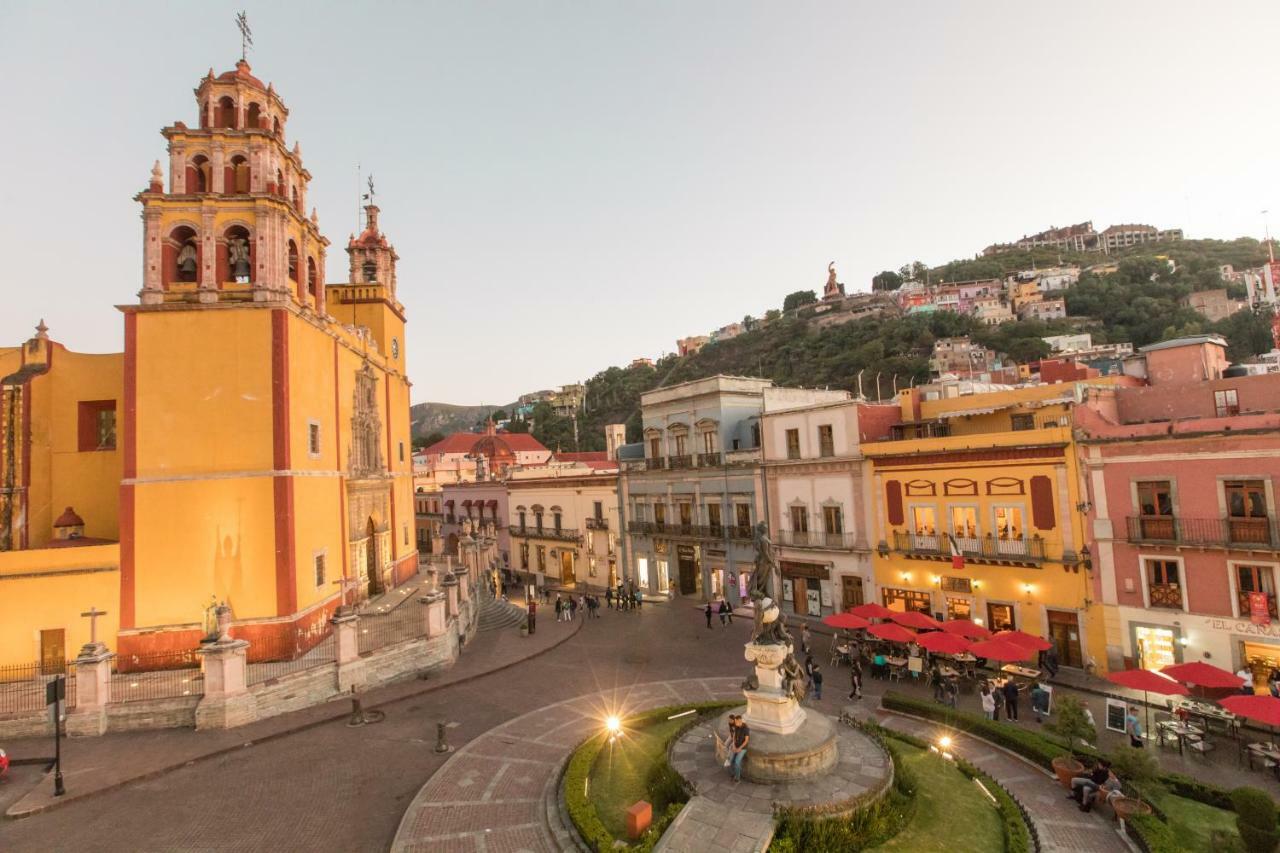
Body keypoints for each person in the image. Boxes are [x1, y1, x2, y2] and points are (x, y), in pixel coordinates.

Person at [729, 713, 750, 783]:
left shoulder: (746, 729)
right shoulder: (736, 727)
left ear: (739, 721)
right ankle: (732, 773)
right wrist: (734, 745)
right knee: (731, 760)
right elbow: (734, 737)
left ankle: (737, 777)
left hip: (742, 748)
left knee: (737, 762)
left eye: (736, 722)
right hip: (736, 746)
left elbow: (746, 741)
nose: (735, 723)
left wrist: (739, 748)